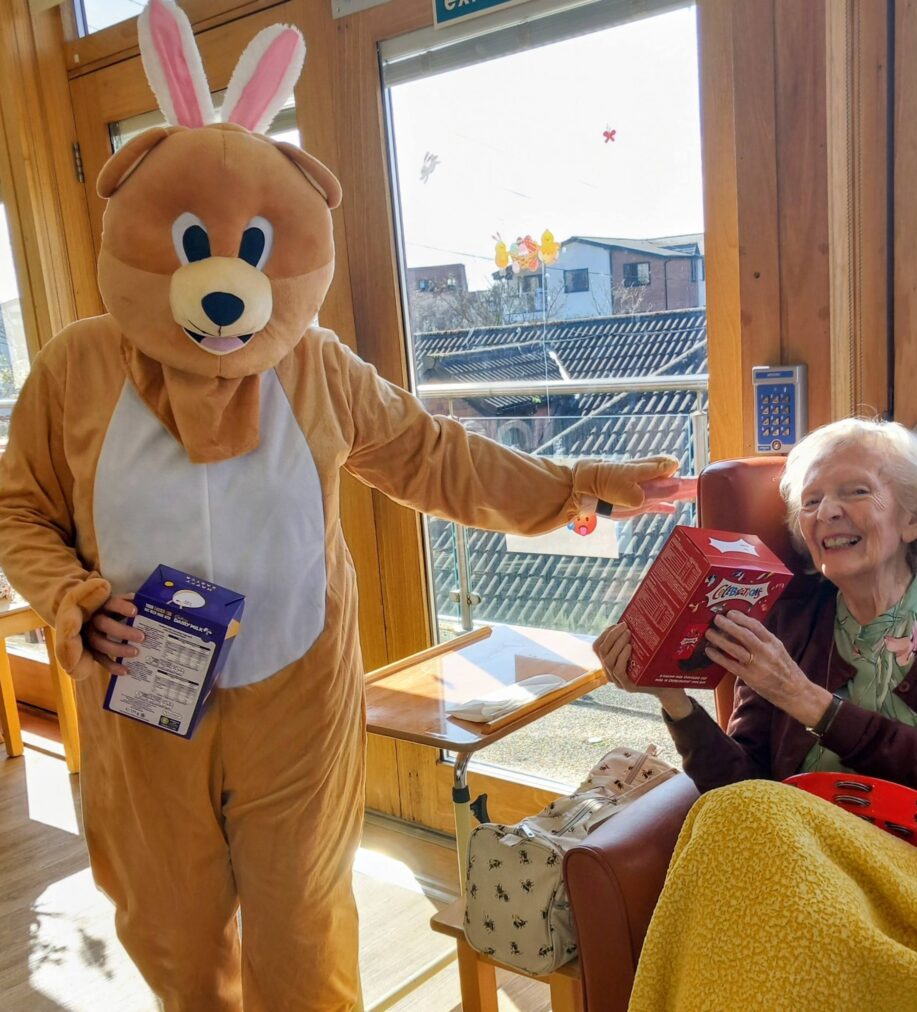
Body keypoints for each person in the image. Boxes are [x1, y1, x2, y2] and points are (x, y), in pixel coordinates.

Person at [0, 4, 693, 1011]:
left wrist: (581, 481)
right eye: (193, 243)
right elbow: (20, 510)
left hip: (296, 696)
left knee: (303, 925)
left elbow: (435, 458)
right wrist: (69, 599)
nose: (222, 284)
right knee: (172, 932)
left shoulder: (315, 366)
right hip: (142, 701)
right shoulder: (75, 365)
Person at [595, 417, 917, 1009]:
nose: (827, 512)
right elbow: (742, 784)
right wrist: (671, 698)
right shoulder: (791, 621)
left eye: (855, 492)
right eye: (813, 500)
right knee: (734, 813)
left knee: (744, 822)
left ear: (913, 519)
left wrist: (805, 698)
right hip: (805, 863)